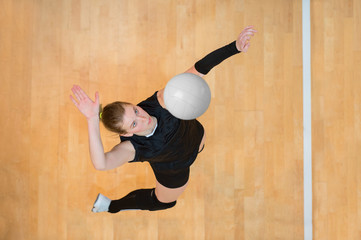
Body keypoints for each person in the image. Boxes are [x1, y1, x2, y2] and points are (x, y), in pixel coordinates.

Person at [70, 26, 257, 213]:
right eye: (134, 123)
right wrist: (92, 119)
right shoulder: (132, 148)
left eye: (135, 110)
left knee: (196, 147)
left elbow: (199, 69)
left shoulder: (161, 100)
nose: (143, 117)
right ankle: (112, 206)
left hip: (196, 138)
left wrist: (235, 47)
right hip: (174, 169)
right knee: (164, 203)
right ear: (127, 133)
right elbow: (101, 164)